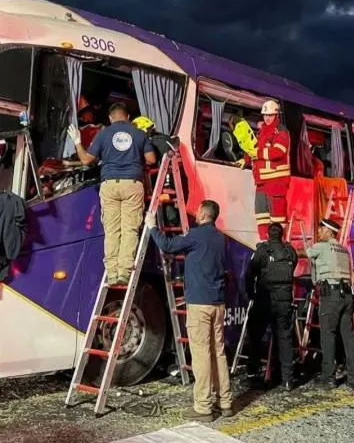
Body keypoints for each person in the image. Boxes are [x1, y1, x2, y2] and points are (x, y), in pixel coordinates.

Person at [146, 199, 233, 422]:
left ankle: (203, 407)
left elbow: (167, 245)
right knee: (219, 352)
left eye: (198, 211)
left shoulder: (196, 235)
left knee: (202, 354)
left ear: (204, 213)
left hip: (200, 304)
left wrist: (152, 226)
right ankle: (225, 402)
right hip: (218, 303)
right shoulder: (220, 238)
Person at [67, 102, 156, 285]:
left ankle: (112, 273)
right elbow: (151, 160)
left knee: (112, 230)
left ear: (110, 118)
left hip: (109, 185)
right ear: (128, 117)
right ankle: (124, 272)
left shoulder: (103, 134)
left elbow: (85, 160)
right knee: (129, 229)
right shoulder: (138, 133)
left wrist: (77, 141)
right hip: (133, 184)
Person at [305, 218, 354, 390]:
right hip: (347, 297)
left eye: (321, 230)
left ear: (329, 232)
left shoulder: (321, 247)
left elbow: (305, 253)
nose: (319, 233)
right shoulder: (343, 250)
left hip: (331, 297)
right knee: (349, 338)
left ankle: (329, 378)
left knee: (328, 337)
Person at [245, 222, 297, 390]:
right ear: (282, 235)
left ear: (268, 235)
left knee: (255, 335)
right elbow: (292, 269)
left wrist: (250, 294)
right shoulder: (290, 251)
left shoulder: (262, 251)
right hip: (284, 301)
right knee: (285, 338)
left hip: (264, 299)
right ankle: (288, 379)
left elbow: (249, 273)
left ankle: (253, 372)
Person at [252, 99, 291, 241]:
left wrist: (258, 153)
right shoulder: (261, 132)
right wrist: (245, 159)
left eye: (270, 115)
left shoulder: (281, 131)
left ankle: (277, 247)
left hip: (276, 183)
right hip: (261, 181)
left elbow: (278, 152)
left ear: (276, 115)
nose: (267, 118)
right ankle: (263, 244)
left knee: (277, 219)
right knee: (261, 215)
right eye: (265, 115)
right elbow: (253, 149)